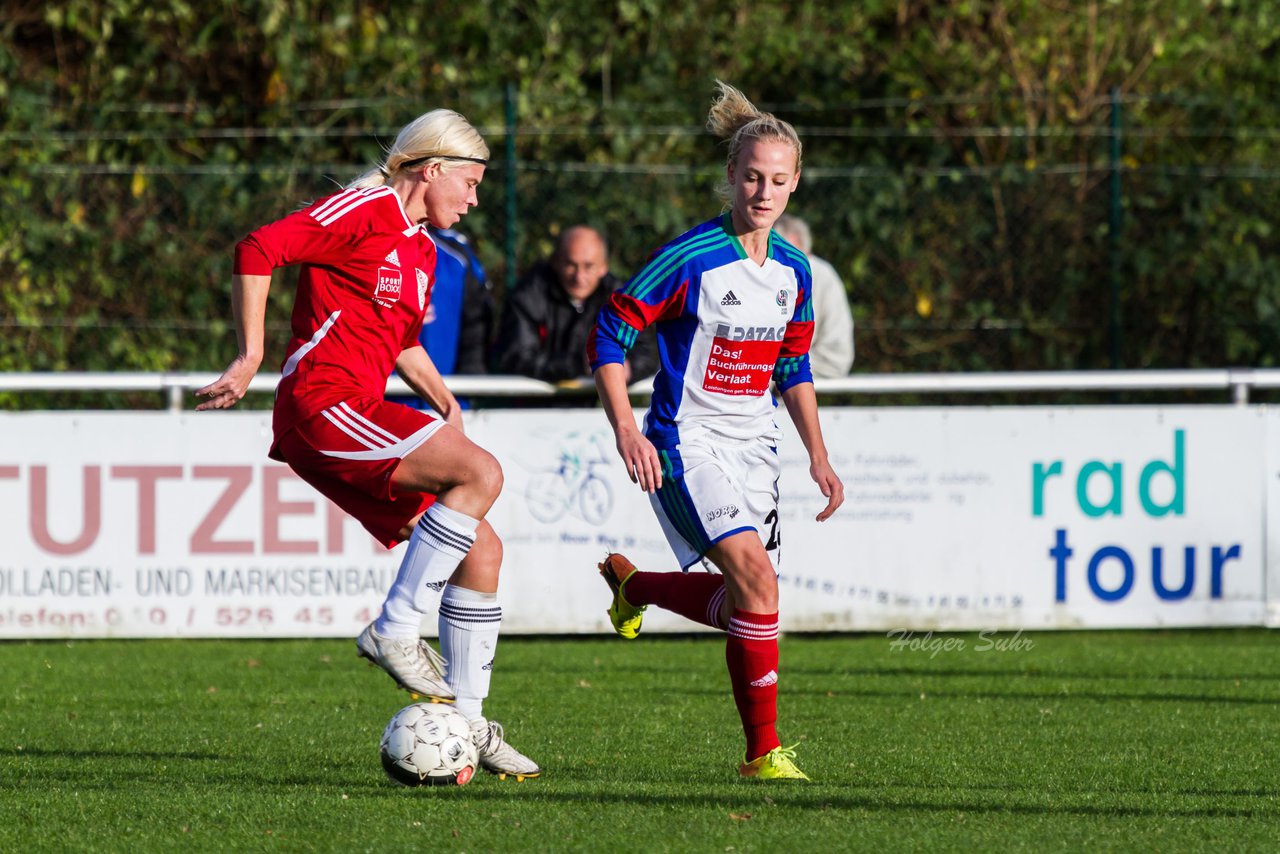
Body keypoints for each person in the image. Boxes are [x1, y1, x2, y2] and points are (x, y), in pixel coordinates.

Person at [194, 108, 540, 781]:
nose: (473, 200)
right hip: (321, 403)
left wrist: (441, 396)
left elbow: (401, 339)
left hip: (357, 408)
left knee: (483, 549)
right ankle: (396, 627)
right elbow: (258, 247)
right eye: (468, 183)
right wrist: (251, 354)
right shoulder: (364, 206)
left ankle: (467, 724)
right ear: (432, 169)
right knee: (482, 474)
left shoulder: (422, 249)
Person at [588, 81, 845, 781]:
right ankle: (763, 753)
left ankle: (634, 587)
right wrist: (625, 432)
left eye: (778, 180)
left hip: (754, 449)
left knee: (749, 601)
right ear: (731, 176)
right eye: (752, 176)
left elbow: (792, 365)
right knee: (759, 586)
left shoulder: (794, 271)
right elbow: (611, 332)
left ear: (795, 187)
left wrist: (818, 456)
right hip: (683, 442)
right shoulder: (692, 257)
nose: (763, 191)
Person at [491, 225, 656, 383]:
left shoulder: (619, 299)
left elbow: (648, 353)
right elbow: (516, 357)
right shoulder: (528, 296)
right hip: (528, 406)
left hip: (591, 406)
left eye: (588, 266)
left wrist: (629, 369)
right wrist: (580, 364)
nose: (579, 277)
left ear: (603, 267)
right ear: (555, 262)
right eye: (571, 265)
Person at [773, 214, 854, 377]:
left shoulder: (823, 277)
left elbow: (838, 356)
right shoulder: (753, 272)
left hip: (802, 386)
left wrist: (785, 373)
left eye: (797, 257)